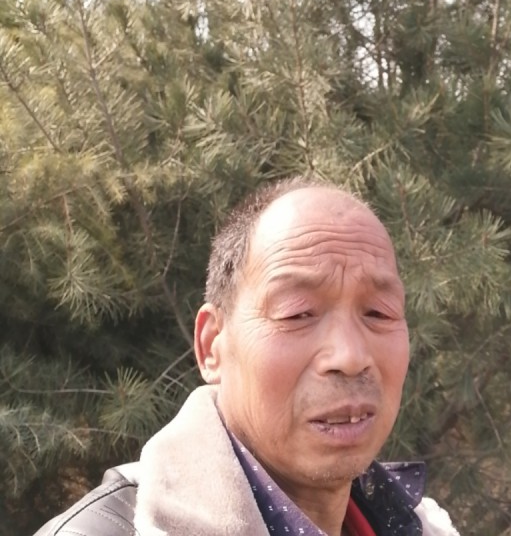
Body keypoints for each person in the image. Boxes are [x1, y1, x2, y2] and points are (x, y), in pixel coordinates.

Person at [35, 178, 460, 536]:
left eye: (378, 312)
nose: (350, 357)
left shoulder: (422, 525)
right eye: (297, 313)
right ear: (212, 346)